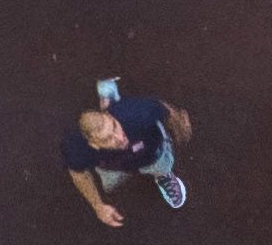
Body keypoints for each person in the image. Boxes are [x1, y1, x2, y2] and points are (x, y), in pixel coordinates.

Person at [62, 78, 193, 227]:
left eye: (114, 126)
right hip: (112, 166)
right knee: (111, 182)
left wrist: (179, 125)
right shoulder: (78, 149)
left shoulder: (138, 113)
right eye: (107, 139)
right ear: (93, 144)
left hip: (151, 153)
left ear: (111, 117)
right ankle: (108, 96)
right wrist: (98, 206)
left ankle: (163, 176)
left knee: (161, 165)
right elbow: (79, 175)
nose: (119, 138)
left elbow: (164, 109)